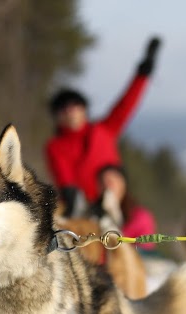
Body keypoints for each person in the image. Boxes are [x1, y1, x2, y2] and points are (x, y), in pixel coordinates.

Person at [46, 36, 162, 214]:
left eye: (75, 105)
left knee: (142, 223)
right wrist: (74, 200)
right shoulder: (56, 147)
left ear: (84, 109)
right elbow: (65, 180)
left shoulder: (105, 130)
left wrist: (144, 71)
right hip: (81, 212)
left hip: (117, 207)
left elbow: (127, 103)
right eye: (63, 108)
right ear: (57, 116)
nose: (70, 111)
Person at [91, 165, 157, 251]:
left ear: (123, 184)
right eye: (102, 183)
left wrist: (114, 218)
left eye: (110, 182)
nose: (106, 187)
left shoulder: (141, 217)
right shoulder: (91, 214)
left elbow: (144, 250)